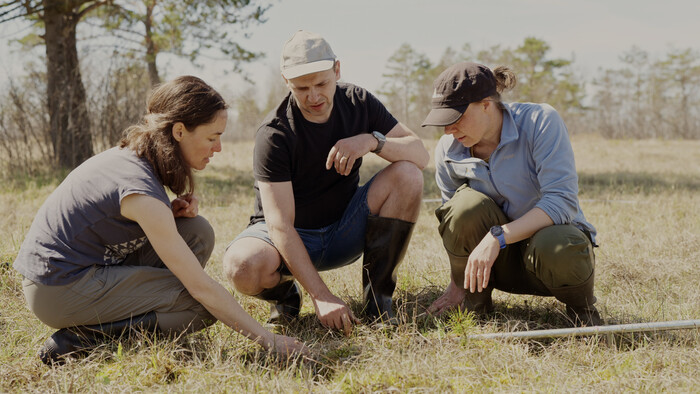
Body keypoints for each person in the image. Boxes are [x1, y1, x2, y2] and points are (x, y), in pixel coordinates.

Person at [13, 76, 308, 365]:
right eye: (212, 137)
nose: (218, 148)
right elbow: (201, 288)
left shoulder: (137, 158)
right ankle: (85, 339)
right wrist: (269, 340)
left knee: (195, 231)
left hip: (78, 271)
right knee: (199, 306)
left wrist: (168, 211)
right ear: (179, 131)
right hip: (56, 289)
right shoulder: (139, 186)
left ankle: (128, 314)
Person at [223, 30, 429, 334]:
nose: (314, 96)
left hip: (344, 229)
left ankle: (378, 303)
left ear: (337, 69)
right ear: (286, 81)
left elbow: (420, 154)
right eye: (302, 88)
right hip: (289, 240)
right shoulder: (274, 133)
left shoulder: (359, 101)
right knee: (241, 266)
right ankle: (286, 297)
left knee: (408, 174)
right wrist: (322, 296)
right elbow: (280, 225)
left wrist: (372, 141)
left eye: (321, 83)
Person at [422, 62, 602, 326]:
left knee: (559, 242)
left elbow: (562, 201)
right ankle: (476, 308)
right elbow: (453, 224)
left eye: (456, 119)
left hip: (551, 257)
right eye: (443, 122)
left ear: (486, 105)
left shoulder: (541, 121)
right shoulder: (448, 149)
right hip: (494, 265)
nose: (448, 130)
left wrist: (497, 237)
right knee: (462, 207)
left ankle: (582, 313)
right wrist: (457, 283)